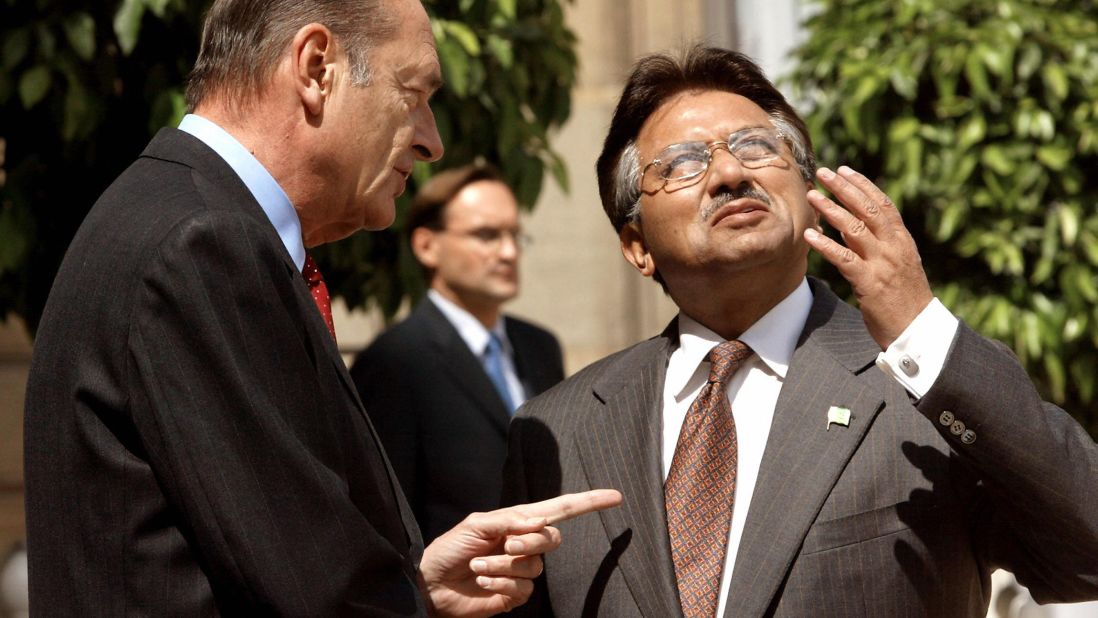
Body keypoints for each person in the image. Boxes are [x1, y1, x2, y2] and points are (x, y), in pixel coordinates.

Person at [21, 0, 620, 615]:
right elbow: (315, 594)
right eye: (413, 93)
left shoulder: (175, 213)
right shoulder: (203, 244)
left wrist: (414, 588)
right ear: (316, 68)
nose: (432, 141)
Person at [502, 46, 1098, 617]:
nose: (730, 173)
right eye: (683, 162)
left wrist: (921, 329)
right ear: (636, 247)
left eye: (757, 147)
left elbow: (1086, 554)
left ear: (811, 198)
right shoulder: (559, 429)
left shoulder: (924, 385)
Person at [351, 164, 564, 543]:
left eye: (515, 235)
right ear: (427, 246)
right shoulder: (394, 360)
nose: (509, 252)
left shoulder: (540, 345)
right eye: (487, 235)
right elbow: (385, 512)